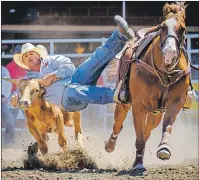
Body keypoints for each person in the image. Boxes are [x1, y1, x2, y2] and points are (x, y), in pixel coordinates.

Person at [9, 15, 135, 112]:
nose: (28, 56)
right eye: (25, 56)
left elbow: (69, 67)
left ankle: (120, 35)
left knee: (94, 59)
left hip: (75, 78)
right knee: (74, 91)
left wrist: (53, 76)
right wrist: (14, 100)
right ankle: (119, 95)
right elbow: (19, 93)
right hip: (66, 100)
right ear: (24, 62)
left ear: (38, 55)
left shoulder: (51, 60)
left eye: (31, 53)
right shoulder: (27, 80)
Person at [2, 66, 16, 144]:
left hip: (2, 100)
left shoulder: (4, 70)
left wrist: (6, 96)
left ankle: (9, 141)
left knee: (10, 119)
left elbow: (9, 84)